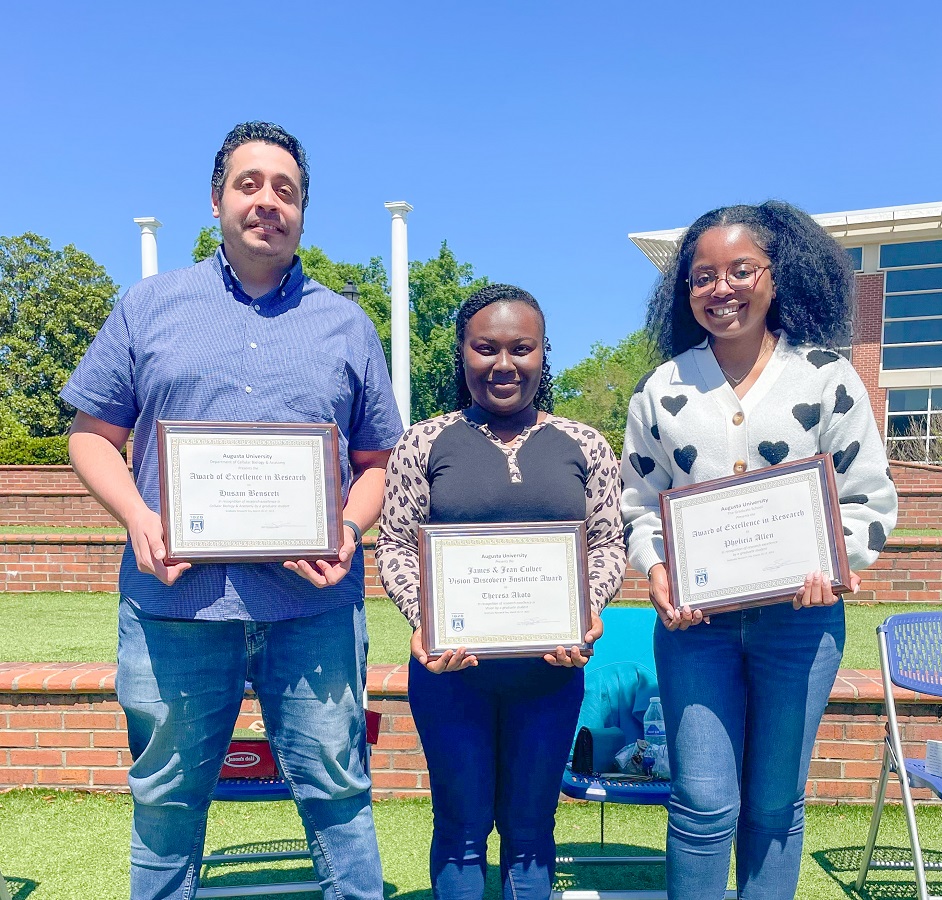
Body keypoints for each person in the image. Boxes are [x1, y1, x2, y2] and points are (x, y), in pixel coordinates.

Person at [60, 122, 404, 900]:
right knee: (167, 805)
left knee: (339, 795)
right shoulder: (148, 307)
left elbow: (377, 463)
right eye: (249, 184)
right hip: (176, 605)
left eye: (286, 190)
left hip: (311, 604)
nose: (267, 203)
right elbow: (90, 439)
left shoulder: (346, 324)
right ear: (217, 199)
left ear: (303, 213)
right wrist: (138, 519)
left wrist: (349, 530)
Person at [620, 200, 898, 900]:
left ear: (777, 276)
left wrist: (835, 565)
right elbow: (639, 504)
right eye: (703, 275)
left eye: (741, 270)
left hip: (800, 626)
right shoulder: (662, 390)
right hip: (696, 630)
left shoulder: (828, 378)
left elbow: (870, 499)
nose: (722, 288)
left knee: (776, 806)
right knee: (702, 806)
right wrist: (656, 570)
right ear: (684, 292)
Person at [375, 283, 626, 900]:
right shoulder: (424, 442)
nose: (504, 364)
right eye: (486, 348)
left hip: (549, 673)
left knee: (531, 832)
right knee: (460, 831)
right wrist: (423, 617)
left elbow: (607, 542)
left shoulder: (586, 443)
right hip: (451, 674)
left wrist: (585, 611)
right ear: (463, 353)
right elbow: (397, 544)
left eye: (522, 348)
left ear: (544, 354)